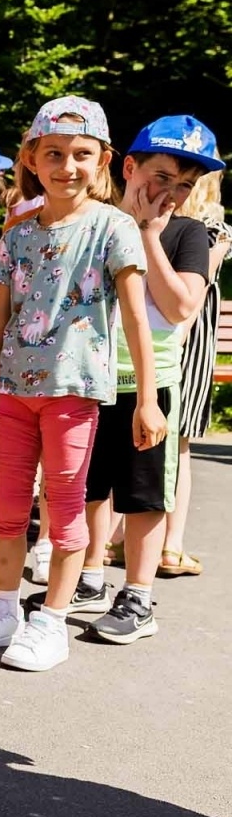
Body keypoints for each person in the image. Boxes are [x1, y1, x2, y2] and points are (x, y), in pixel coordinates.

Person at [0, 96, 164, 672]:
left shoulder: (114, 227)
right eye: (53, 153)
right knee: (8, 505)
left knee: (65, 506)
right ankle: (3, 608)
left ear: (102, 161)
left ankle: (51, 620)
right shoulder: (18, 233)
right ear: (31, 158)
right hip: (13, 393)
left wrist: (147, 400)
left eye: (80, 154)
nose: (66, 166)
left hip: (73, 392)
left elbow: (137, 318)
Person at [74, 117, 218, 642]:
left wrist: (150, 235)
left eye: (185, 185)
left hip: (149, 385)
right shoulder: (95, 220)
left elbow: (181, 306)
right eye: (161, 177)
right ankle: (89, 576)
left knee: (144, 494)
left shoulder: (187, 233)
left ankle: (138, 595)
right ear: (129, 167)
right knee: (89, 487)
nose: (170, 193)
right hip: (89, 378)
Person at [166, 171, 232, 575]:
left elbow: (196, 287)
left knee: (162, 438)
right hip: (183, 338)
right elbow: (198, 288)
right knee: (177, 443)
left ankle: (124, 538)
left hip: (171, 334)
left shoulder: (180, 226)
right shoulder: (212, 230)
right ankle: (169, 545)